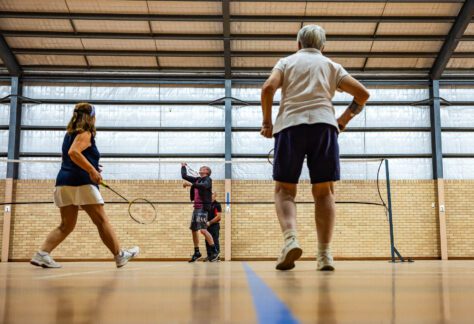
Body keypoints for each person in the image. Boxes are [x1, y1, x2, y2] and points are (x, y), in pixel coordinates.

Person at [260, 25, 370, 271]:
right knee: (324, 192)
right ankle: (324, 256)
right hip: (324, 126)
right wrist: (343, 120)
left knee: (285, 190)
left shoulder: (286, 62)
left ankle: (290, 240)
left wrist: (267, 122)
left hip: (290, 126)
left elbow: (268, 88)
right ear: (323, 47)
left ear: (298, 44)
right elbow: (362, 94)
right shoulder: (331, 66)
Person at [30, 102, 139, 269]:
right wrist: (91, 170)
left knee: (66, 225)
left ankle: (42, 254)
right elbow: (73, 153)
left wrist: (92, 164)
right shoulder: (85, 133)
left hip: (63, 182)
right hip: (81, 182)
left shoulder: (69, 134)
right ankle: (119, 255)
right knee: (102, 221)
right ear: (91, 117)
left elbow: (71, 157)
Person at [181, 163, 219, 262]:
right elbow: (184, 176)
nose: (200, 168)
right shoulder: (197, 179)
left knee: (203, 230)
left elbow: (203, 186)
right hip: (196, 207)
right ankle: (197, 252)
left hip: (202, 207)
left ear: (207, 172)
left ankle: (214, 251)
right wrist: (183, 166)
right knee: (194, 230)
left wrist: (190, 184)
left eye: (203, 168)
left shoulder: (208, 180)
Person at [204, 192, 222, 261]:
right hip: (206, 225)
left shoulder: (217, 204)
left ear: (215, 195)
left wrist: (210, 222)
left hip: (214, 225)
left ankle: (216, 256)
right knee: (207, 240)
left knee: (215, 240)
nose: (211, 196)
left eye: (212, 194)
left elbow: (219, 217)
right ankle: (209, 255)